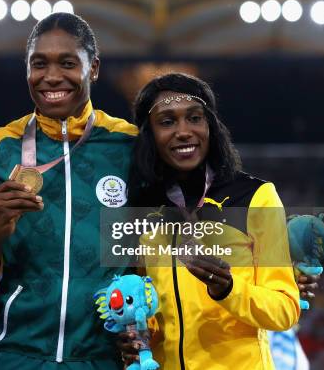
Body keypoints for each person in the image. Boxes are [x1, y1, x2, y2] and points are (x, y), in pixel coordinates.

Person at [0, 12, 138, 369]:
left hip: (104, 356)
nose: (52, 76)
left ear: (94, 68)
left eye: (68, 63)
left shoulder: (129, 145)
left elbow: (147, 254)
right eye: (39, 64)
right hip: (19, 354)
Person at [121, 72, 301, 369]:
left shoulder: (255, 197)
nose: (184, 131)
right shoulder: (143, 208)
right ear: (149, 134)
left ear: (211, 127)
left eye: (195, 118)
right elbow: (146, 303)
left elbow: (285, 309)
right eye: (167, 122)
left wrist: (229, 290)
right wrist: (137, 335)